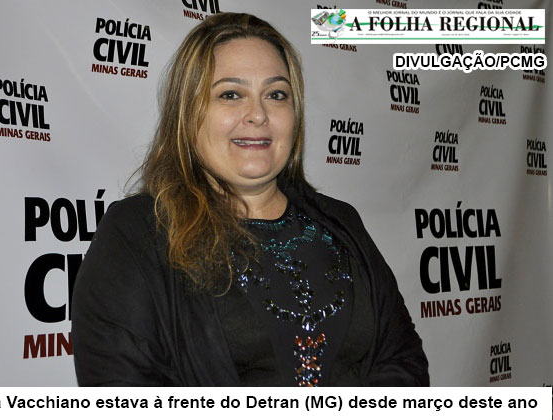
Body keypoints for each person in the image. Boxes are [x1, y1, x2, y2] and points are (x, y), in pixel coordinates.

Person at [71, 12, 429, 386]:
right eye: (230, 94)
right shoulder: (137, 232)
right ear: (188, 113)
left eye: (276, 95)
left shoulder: (342, 223)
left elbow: (403, 360)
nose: (258, 114)